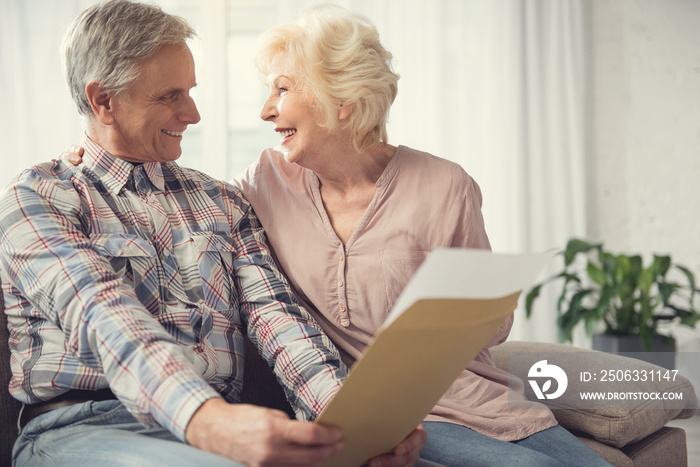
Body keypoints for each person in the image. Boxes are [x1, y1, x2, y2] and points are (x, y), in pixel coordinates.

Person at [60, 4, 611, 467]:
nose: (265, 110)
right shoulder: (260, 186)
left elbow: (488, 329)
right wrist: (83, 160)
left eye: (282, 89)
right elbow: (142, 249)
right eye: (169, 96)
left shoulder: (443, 186)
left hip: (466, 396)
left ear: (340, 102)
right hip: (364, 411)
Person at [0, 1, 425, 466]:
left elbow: (278, 320)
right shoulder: (38, 198)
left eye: (190, 91)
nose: (193, 114)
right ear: (104, 100)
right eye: (170, 96)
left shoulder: (222, 201)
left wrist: (349, 427)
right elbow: (104, 317)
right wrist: (210, 420)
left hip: (220, 429)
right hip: (86, 429)